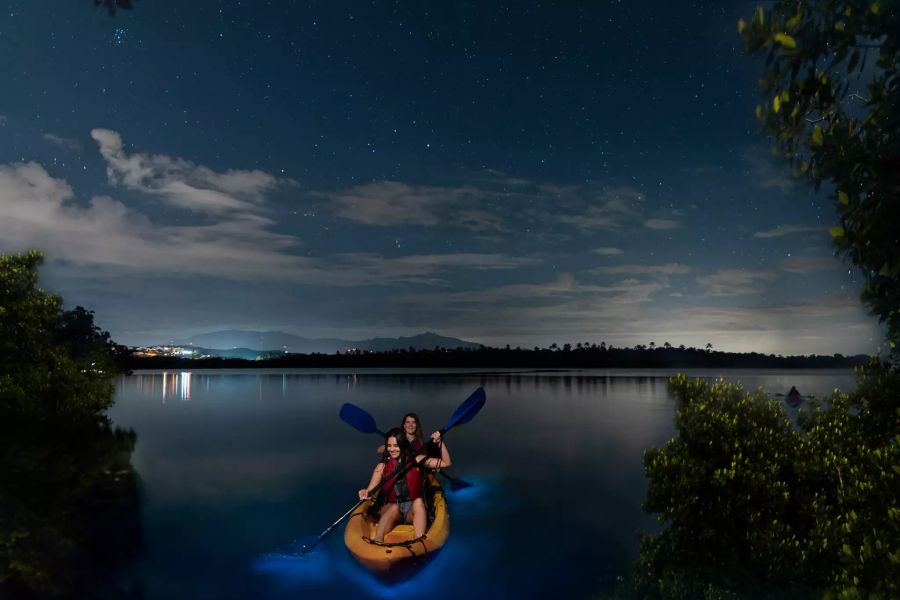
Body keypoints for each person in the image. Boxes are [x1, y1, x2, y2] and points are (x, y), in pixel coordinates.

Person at [358, 427, 451, 542]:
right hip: (392, 510)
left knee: (418, 502)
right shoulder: (382, 466)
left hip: (412, 512)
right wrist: (364, 492)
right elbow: (370, 490)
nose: (392, 449)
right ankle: (378, 538)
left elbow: (446, 463)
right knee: (394, 506)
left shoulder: (417, 460)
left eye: (396, 446)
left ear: (402, 445)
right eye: (389, 446)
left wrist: (440, 442)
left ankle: (419, 539)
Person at [377, 412, 448, 459]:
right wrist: (395, 446)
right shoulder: (397, 438)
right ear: (404, 425)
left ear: (416, 425)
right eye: (408, 422)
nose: (410, 425)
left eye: (413, 422)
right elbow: (379, 450)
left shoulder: (420, 442)